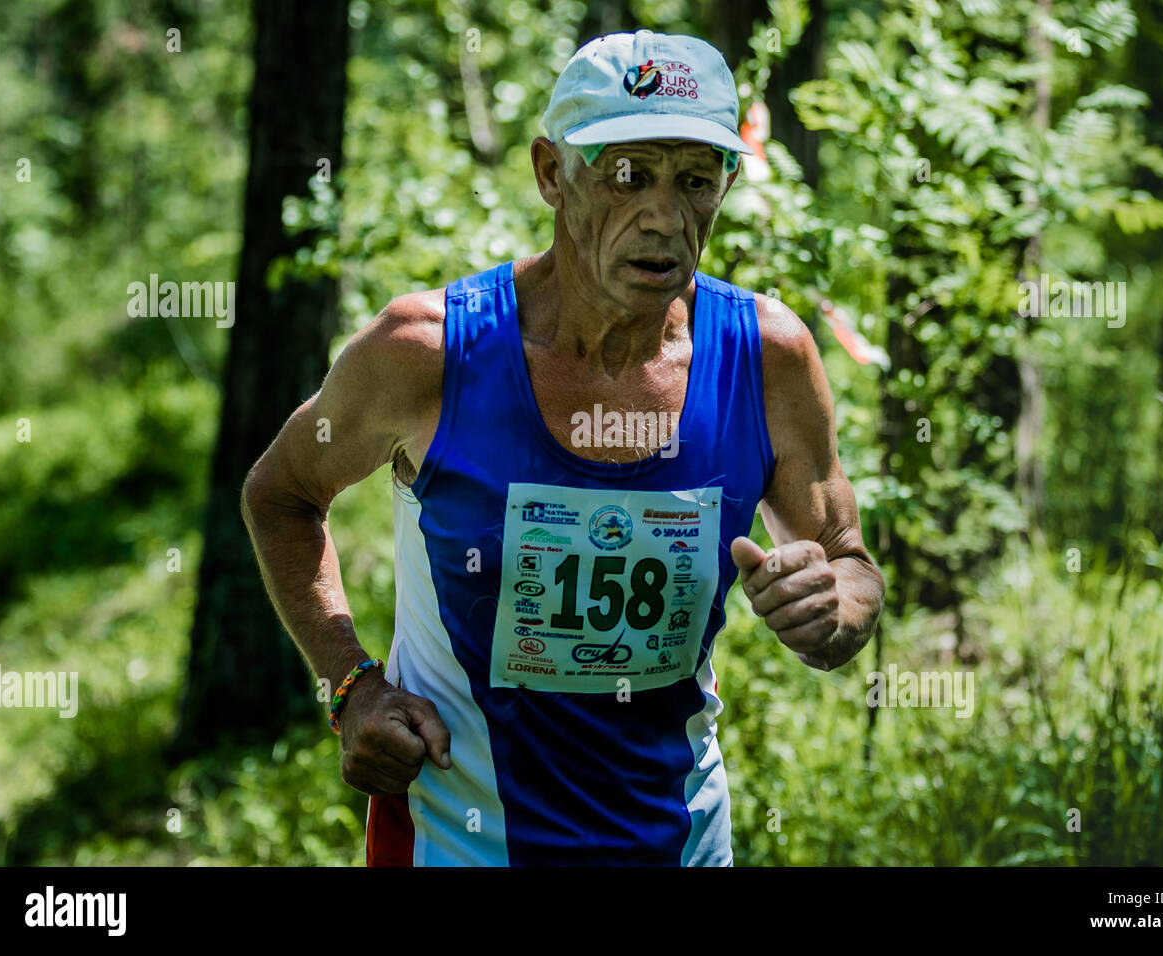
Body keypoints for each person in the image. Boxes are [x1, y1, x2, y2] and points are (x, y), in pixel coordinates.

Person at [241, 29, 885, 867]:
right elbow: (281, 494)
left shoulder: (766, 356)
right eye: (628, 175)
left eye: (695, 180)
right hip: (460, 843)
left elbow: (849, 560)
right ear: (552, 173)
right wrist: (349, 684)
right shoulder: (429, 353)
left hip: (682, 842)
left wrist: (835, 610)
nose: (664, 217)